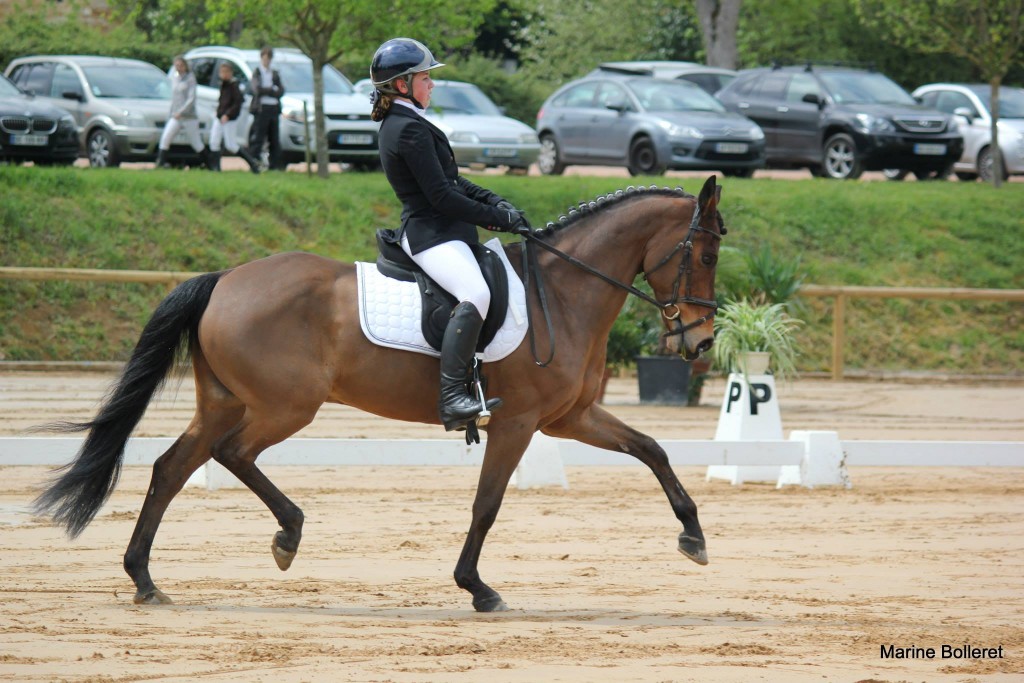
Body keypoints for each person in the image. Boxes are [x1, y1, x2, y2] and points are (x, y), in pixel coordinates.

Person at [369, 38, 530, 432]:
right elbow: (441, 196)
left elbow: (453, 180)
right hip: (432, 233)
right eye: (426, 78)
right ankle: (454, 396)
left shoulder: (411, 122)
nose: (432, 84)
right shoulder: (407, 129)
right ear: (403, 85)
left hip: (444, 229)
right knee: (476, 293)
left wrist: (497, 201)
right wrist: (496, 219)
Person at [208, 62, 260, 173]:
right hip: (220, 116)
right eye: (222, 72)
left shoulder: (234, 85)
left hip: (229, 119)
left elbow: (238, 102)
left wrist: (228, 114)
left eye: (226, 72)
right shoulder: (223, 84)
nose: (224, 74)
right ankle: (215, 168)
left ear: (231, 73)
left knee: (231, 145)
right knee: (214, 141)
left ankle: (252, 163)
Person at [156, 56, 206, 169]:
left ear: (185, 66)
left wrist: (182, 111)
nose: (179, 68)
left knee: (196, 142)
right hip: (175, 115)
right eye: (176, 66)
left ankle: (209, 163)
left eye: (181, 65)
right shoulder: (175, 77)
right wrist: (172, 113)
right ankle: (160, 163)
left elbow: (191, 99)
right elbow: (174, 98)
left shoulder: (190, 78)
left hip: (188, 116)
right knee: (166, 137)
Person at [247, 46, 285, 171]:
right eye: (264, 58)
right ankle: (254, 163)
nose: (266, 61)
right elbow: (257, 89)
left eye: (268, 59)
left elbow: (281, 90)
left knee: (274, 138)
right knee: (258, 137)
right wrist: (271, 90)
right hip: (261, 108)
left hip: (273, 108)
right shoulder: (258, 72)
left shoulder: (274, 73)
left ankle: (274, 165)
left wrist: (268, 91)